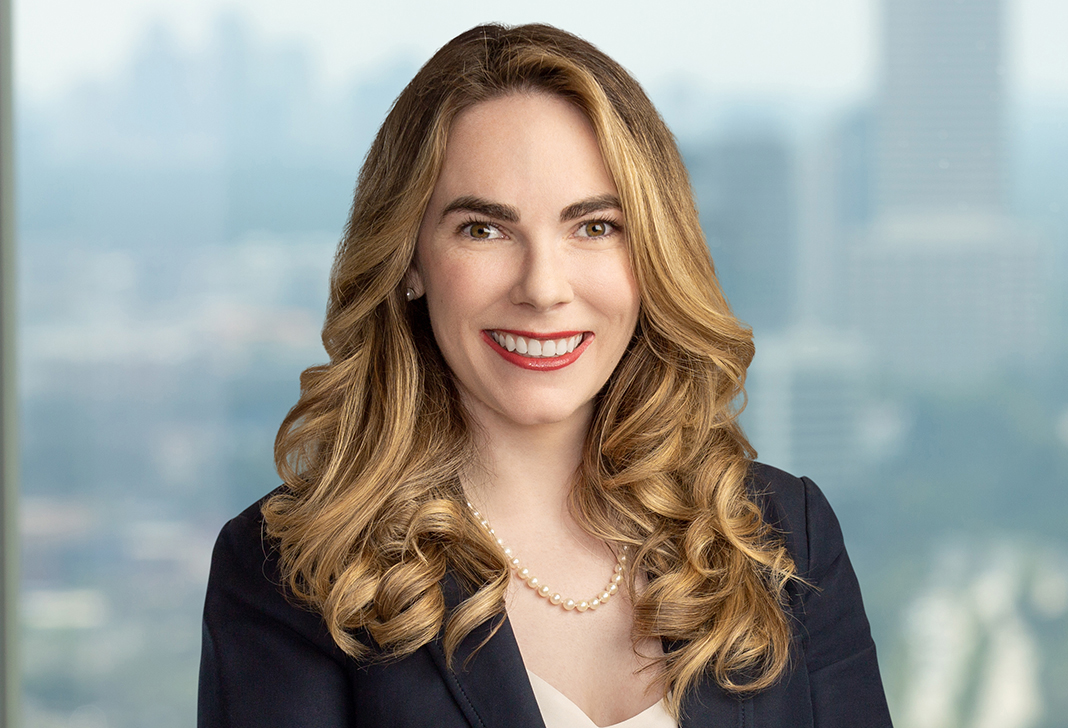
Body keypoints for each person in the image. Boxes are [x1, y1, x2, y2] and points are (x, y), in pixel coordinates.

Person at [199, 23, 892, 728]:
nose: (543, 287)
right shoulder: (291, 575)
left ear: (653, 254)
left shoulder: (784, 537)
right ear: (408, 259)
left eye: (594, 227)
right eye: (484, 229)